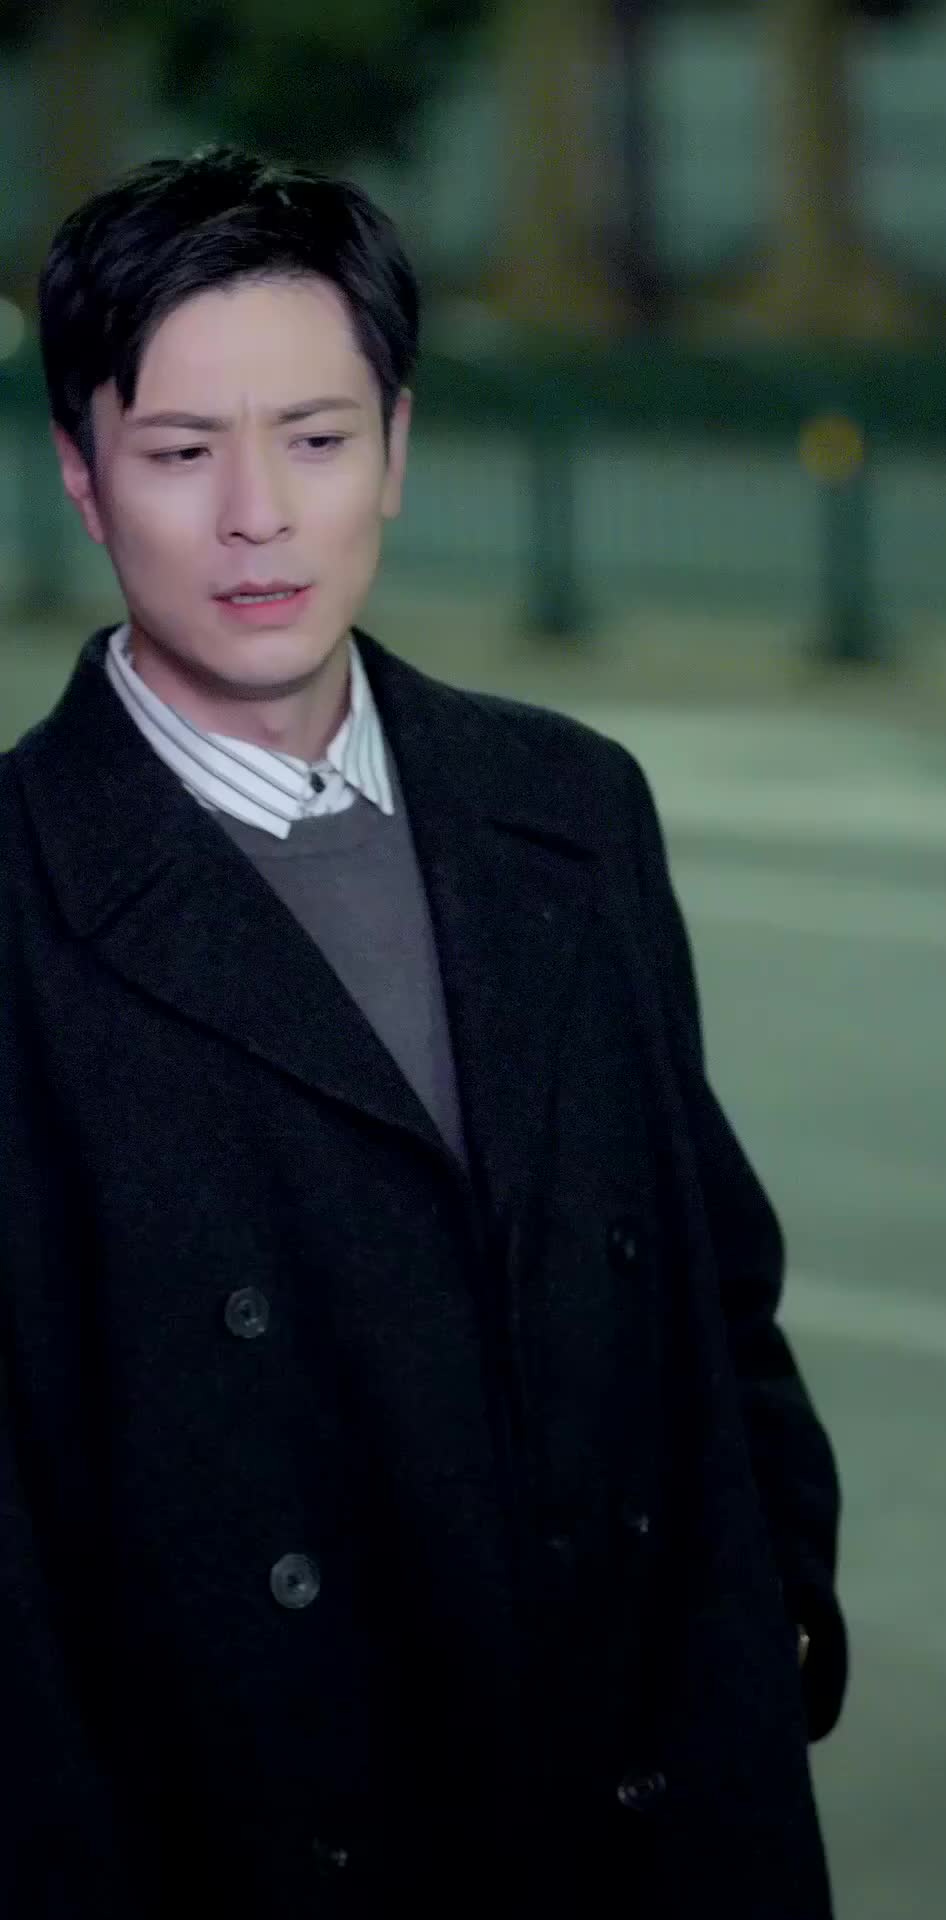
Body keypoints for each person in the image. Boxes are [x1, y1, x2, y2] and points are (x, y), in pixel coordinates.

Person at [0, 146, 847, 1919]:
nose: (258, 516)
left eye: (315, 438)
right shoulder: (23, 891)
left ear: (397, 447)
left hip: (643, 1810)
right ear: (80, 473)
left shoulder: (569, 809)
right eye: (181, 452)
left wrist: (772, 1607)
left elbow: (708, 1283)